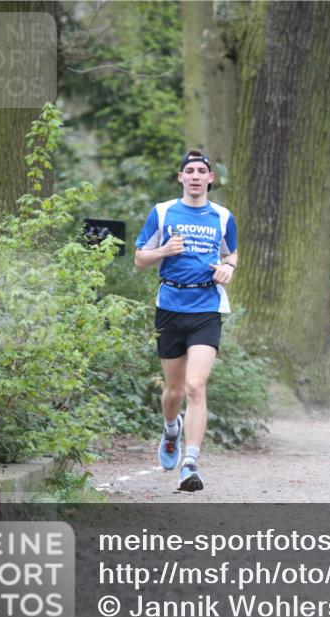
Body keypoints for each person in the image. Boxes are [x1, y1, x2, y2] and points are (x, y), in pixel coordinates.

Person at [134, 150, 238, 492]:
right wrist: (163, 251)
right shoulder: (163, 212)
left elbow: (231, 253)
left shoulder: (223, 216)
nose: (195, 176)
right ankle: (171, 429)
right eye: (189, 171)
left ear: (210, 178)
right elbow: (139, 258)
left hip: (206, 307)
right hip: (170, 306)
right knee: (174, 391)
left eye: (201, 171)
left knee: (195, 386)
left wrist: (228, 268)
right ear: (180, 177)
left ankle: (190, 462)